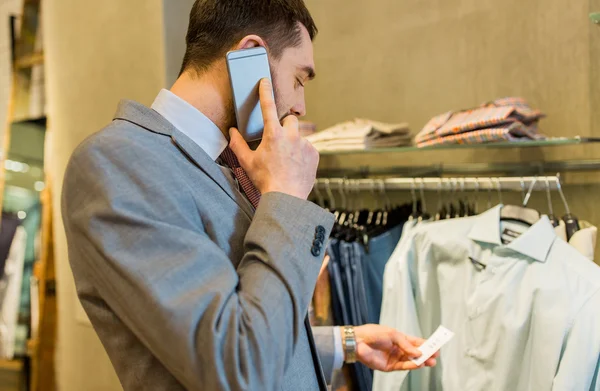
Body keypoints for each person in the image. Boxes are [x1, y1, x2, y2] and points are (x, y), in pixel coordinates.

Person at [61, 1, 438, 390]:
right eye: (299, 79)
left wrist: (344, 343)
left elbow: (236, 319)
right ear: (249, 56)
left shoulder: (225, 162)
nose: (300, 105)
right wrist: (286, 197)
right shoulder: (119, 164)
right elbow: (239, 368)